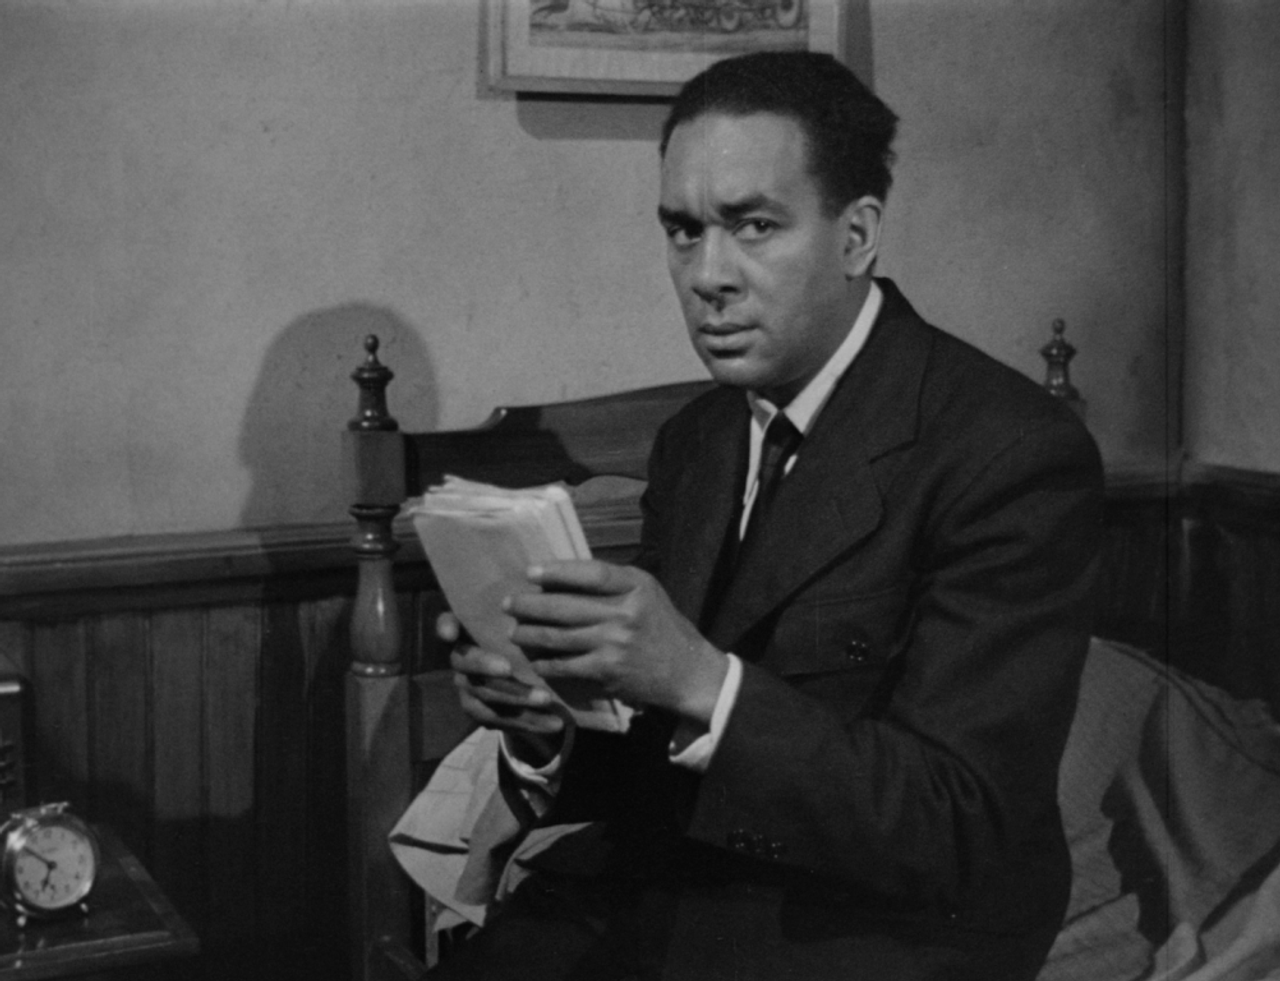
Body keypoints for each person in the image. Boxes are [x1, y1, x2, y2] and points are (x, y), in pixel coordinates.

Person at [433, 50, 1103, 981]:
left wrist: (700, 678)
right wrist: (544, 724)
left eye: (754, 225)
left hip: (881, 931)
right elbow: (655, 764)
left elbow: (959, 823)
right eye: (682, 231)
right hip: (675, 890)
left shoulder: (1010, 450)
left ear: (856, 236)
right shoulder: (697, 439)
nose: (708, 275)